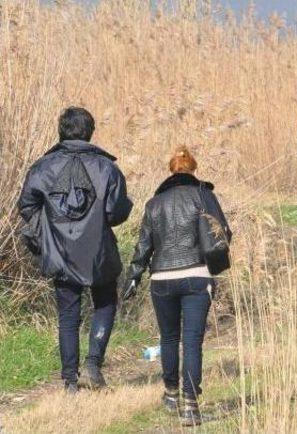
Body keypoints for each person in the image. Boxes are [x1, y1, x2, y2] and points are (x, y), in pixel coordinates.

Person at [17, 107, 133, 394]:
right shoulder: (107, 169)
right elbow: (117, 213)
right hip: (99, 252)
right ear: (90, 132)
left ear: (61, 131)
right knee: (105, 303)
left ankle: (70, 380)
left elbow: (26, 206)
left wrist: (49, 231)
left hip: (59, 253)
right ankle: (94, 364)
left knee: (68, 314)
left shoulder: (42, 167)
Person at [122, 148, 232, 427]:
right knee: (192, 340)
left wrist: (134, 276)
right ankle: (191, 407)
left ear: (171, 171)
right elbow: (223, 233)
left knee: (169, 338)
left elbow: (143, 246)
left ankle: (171, 394)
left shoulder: (154, 203)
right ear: (193, 170)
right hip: (197, 275)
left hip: (161, 279)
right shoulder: (204, 195)